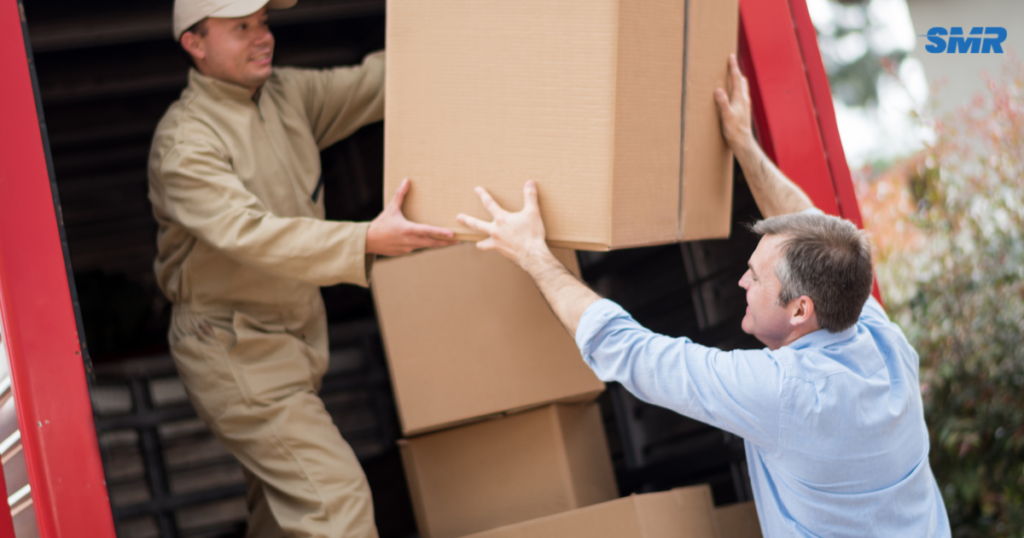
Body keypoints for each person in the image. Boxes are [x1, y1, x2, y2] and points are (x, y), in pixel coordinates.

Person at [457, 55, 952, 537]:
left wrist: (534, 255)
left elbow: (632, 353)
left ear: (802, 309)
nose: (741, 282)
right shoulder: (877, 339)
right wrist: (743, 143)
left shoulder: (787, 395)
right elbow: (815, 227)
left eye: (756, 278)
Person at [147, 0, 455, 536]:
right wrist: (366, 239)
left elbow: (379, 82)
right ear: (195, 44)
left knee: (281, 515)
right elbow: (251, 233)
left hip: (290, 342)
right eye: (240, 27)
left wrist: (474, 36)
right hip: (233, 349)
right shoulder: (185, 144)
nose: (261, 36)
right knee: (337, 501)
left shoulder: (286, 95)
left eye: (263, 22)